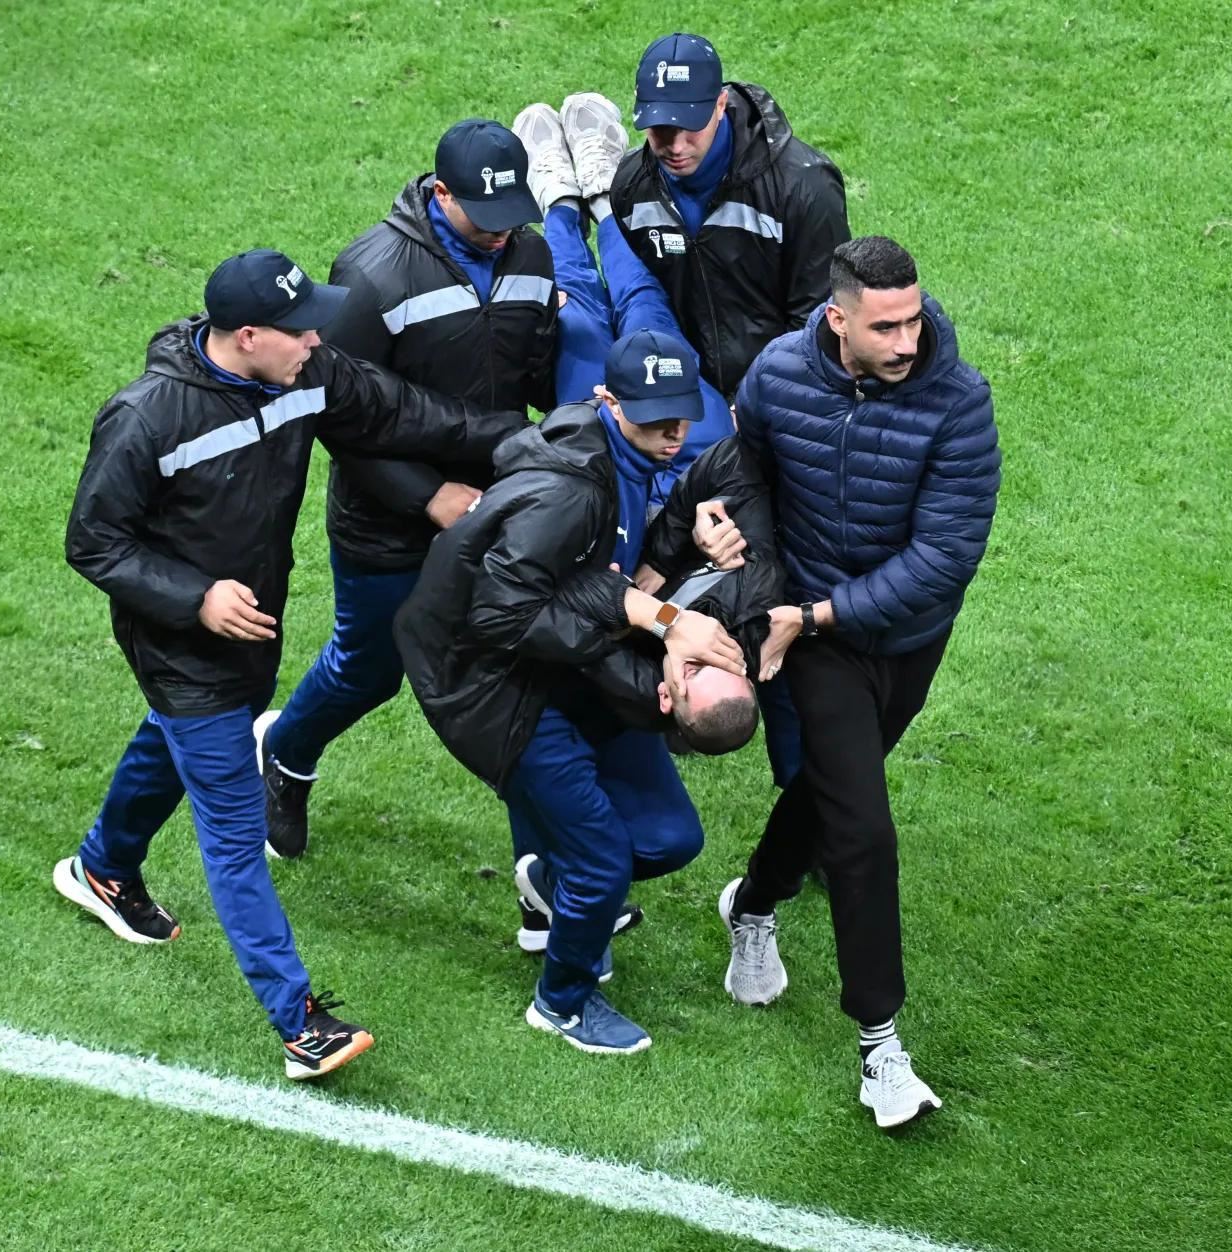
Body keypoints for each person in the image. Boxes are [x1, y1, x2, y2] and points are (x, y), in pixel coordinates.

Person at [55, 249, 526, 1081]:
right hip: (180, 642)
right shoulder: (147, 417)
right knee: (234, 834)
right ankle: (299, 1020)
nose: (317, 338)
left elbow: (409, 415)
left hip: (251, 630)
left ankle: (103, 866)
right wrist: (196, 598)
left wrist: (541, 437)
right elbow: (94, 541)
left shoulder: (306, 375)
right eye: (300, 328)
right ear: (247, 336)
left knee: (178, 740)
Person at [395, 329, 753, 1055]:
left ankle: (548, 880)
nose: (673, 432)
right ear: (607, 401)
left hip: (561, 662)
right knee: (603, 862)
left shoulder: (631, 457)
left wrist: (683, 544)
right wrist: (643, 614)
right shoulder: (569, 490)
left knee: (671, 837)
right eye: (655, 418)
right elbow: (500, 615)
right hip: (494, 685)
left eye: (682, 414)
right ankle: (562, 1003)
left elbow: (602, 569)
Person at [718, 236, 1001, 1129]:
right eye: (887, 327)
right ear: (838, 319)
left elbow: (945, 556)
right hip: (815, 637)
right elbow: (745, 474)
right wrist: (755, 571)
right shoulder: (777, 374)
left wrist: (820, 614)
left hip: (903, 636)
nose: (908, 341)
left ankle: (752, 902)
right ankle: (881, 1047)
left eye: (914, 319)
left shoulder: (960, 401)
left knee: (831, 788)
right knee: (864, 830)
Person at [255, 120, 559, 861]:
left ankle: (548, 872)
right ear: (441, 193)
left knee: (519, 674)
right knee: (370, 670)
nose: (501, 233)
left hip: (495, 505)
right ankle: (286, 754)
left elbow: (534, 371)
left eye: (512, 214)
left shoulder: (531, 253)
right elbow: (334, 413)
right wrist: (427, 496)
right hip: (386, 522)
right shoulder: (373, 274)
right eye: (484, 216)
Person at [512, 95, 734, 508]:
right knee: (643, 302)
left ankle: (559, 204)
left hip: (605, 442)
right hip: (698, 443)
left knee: (574, 318)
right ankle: (607, 199)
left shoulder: (579, 486)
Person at [607, 32, 850, 399]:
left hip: (781, 392)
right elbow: (649, 299)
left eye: (690, 125)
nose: (675, 146)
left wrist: (754, 402)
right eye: (661, 129)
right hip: (685, 390)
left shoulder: (804, 187)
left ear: (720, 104)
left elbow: (817, 321)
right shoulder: (630, 188)